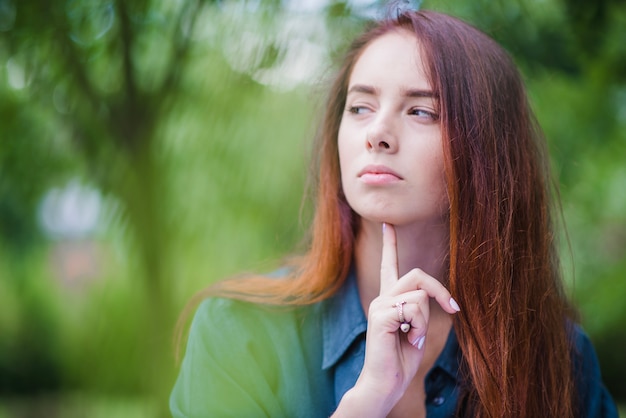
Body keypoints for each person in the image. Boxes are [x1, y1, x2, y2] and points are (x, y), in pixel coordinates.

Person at [170, 7, 618, 418]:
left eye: (421, 111)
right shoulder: (239, 333)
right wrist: (368, 402)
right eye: (360, 107)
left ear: (487, 154)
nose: (377, 133)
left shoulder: (560, 359)